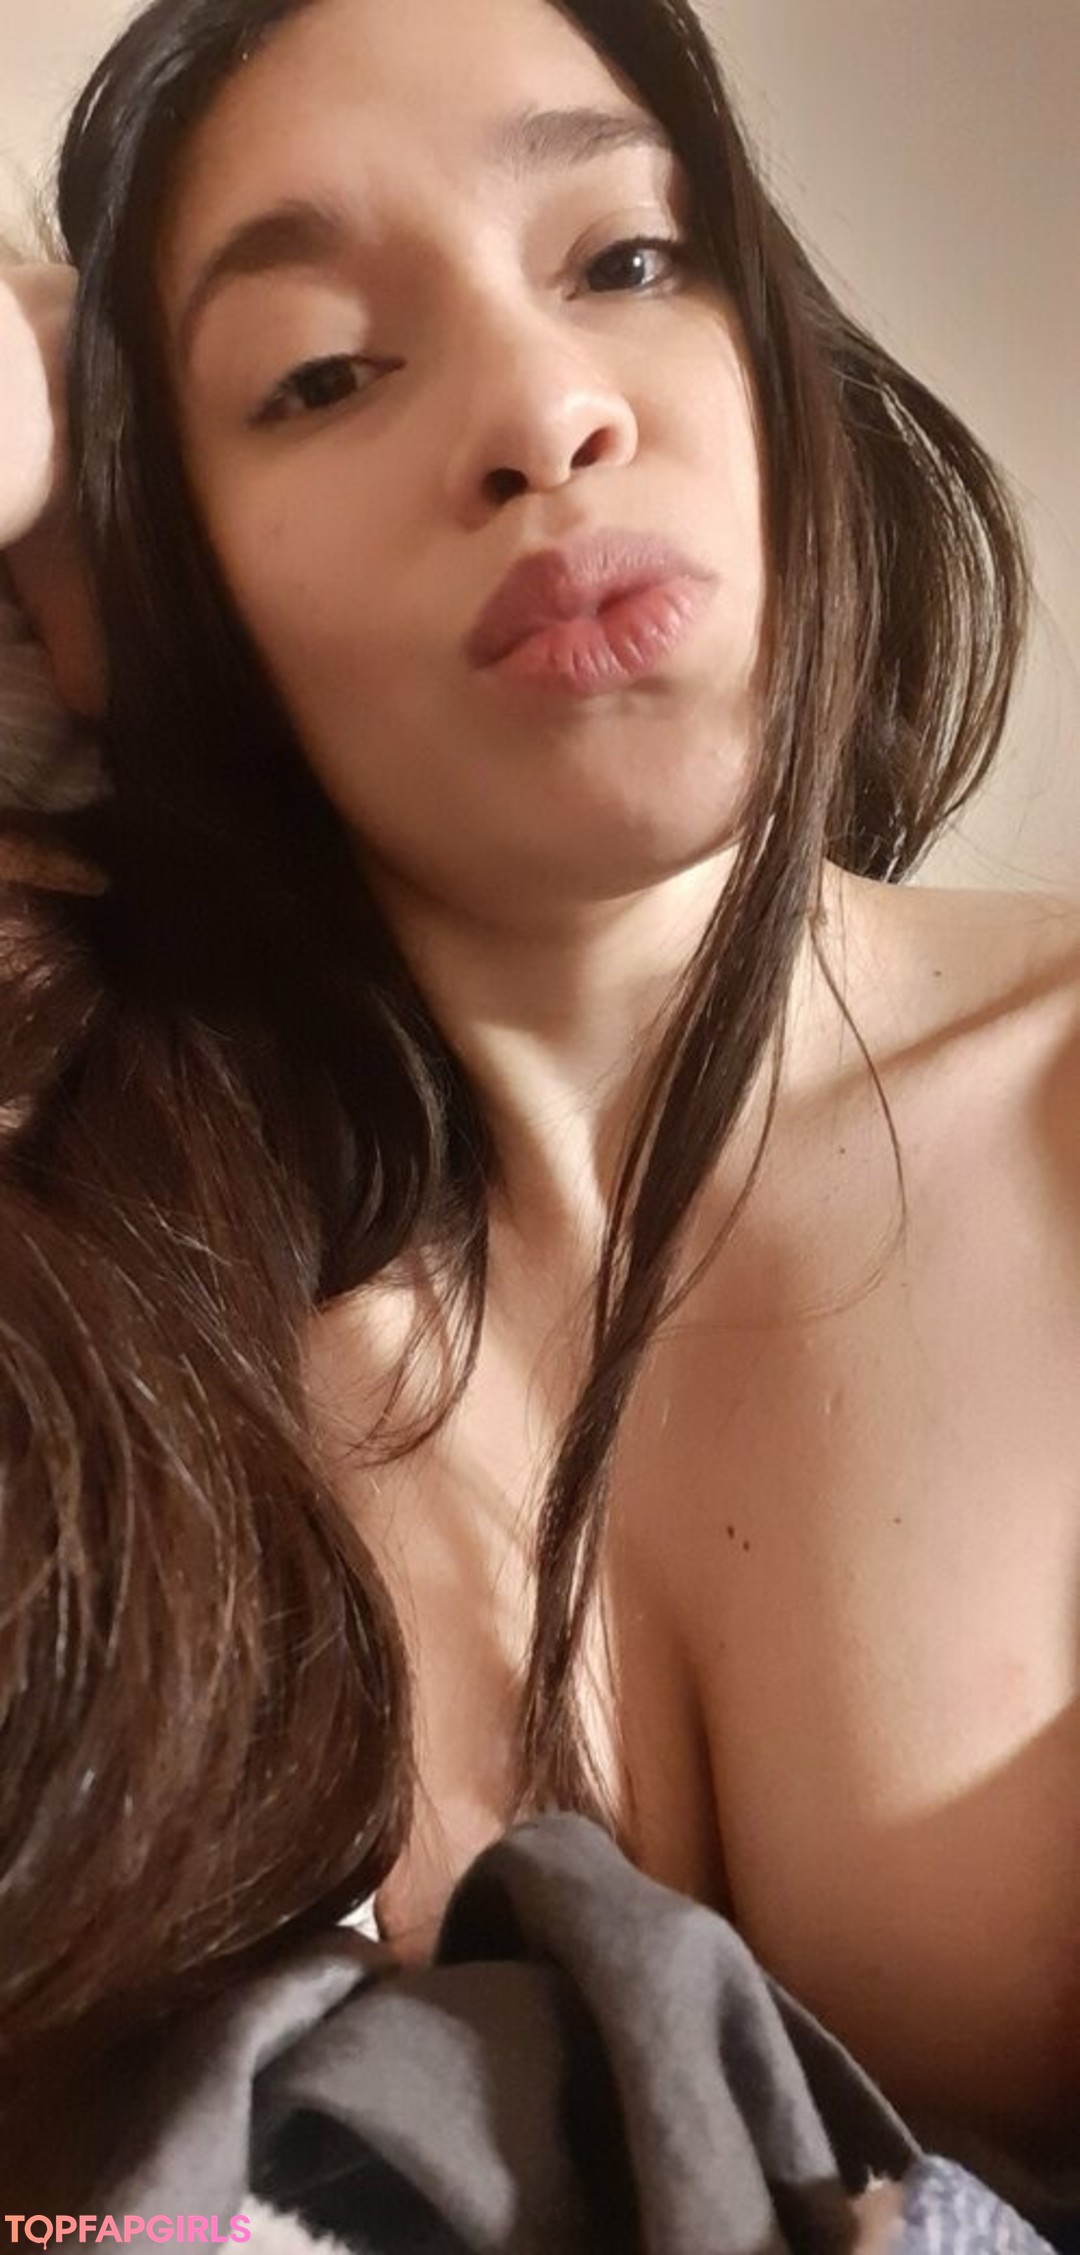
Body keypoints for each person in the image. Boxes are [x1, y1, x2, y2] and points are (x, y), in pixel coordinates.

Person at [1, 0, 1078, 2206]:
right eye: (320, 376)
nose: (538, 413)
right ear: (140, 580)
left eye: (627, 260)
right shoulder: (96, 1274)